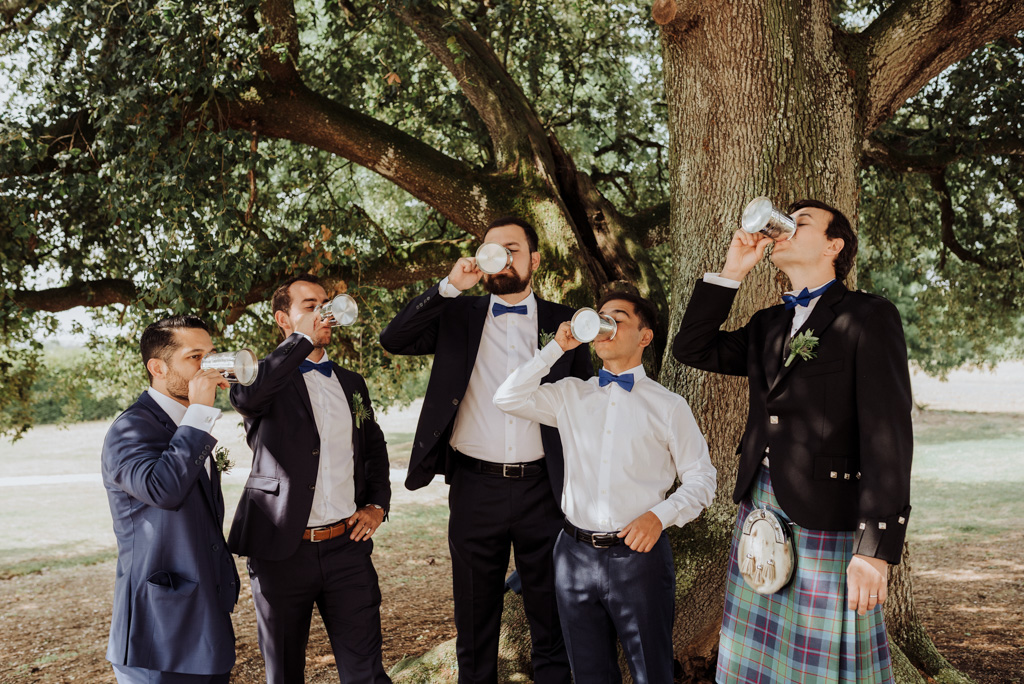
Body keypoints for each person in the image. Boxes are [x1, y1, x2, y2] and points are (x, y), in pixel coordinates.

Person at [673, 199, 913, 683]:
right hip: (760, 507)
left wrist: (875, 550)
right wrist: (732, 270)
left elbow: (888, 435)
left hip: (828, 511)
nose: (782, 228)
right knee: (756, 662)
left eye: (799, 222)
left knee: (820, 667)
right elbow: (692, 348)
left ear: (833, 245)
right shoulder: (767, 324)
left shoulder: (868, 315)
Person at [379, 217, 592, 684]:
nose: (502, 257)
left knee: (551, 621)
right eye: (492, 249)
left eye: (512, 248)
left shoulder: (568, 324)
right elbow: (393, 339)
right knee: (474, 623)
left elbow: (585, 407)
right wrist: (450, 287)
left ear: (535, 259)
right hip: (474, 487)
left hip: (546, 489)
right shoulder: (457, 314)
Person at [493, 291, 716, 684]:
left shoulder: (668, 406)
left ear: (644, 337)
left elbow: (702, 481)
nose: (603, 326)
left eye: (617, 319)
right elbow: (507, 397)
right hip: (573, 557)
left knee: (652, 672)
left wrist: (659, 517)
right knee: (589, 674)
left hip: (639, 559)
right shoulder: (570, 395)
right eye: (599, 318)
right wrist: (555, 349)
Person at [228, 275, 392, 684]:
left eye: (326, 303)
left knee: (367, 674)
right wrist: (300, 341)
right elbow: (247, 398)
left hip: (346, 551)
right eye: (310, 305)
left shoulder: (352, 383)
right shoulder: (258, 375)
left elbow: (373, 448)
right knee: (284, 675)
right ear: (283, 318)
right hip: (281, 551)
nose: (324, 313)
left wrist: (377, 504)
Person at [101, 315, 238, 684]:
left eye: (211, 356)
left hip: (207, 624)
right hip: (159, 633)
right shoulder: (129, 428)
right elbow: (163, 490)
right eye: (196, 357)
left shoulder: (189, 421)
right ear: (157, 367)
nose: (209, 367)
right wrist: (198, 415)